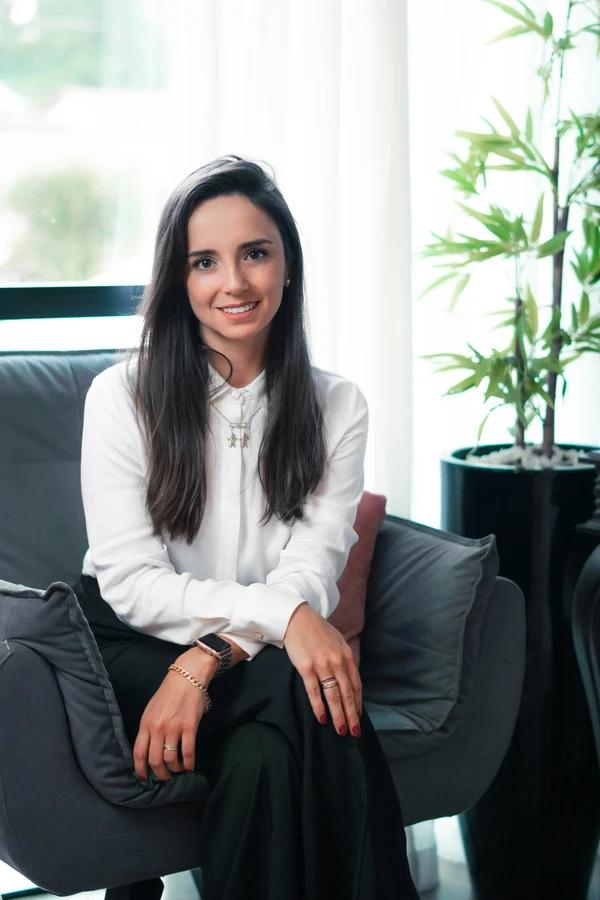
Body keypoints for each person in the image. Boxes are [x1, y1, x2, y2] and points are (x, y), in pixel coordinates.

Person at [71, 155, 419, 900]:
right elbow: (132, 583)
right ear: (179, 279)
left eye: (254, 253)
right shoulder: (121, 397)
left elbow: (314, 566)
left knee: (267, 752)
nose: (233, 282)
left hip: (254, 657)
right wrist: (287, 619)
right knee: (314, 690)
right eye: (205, 261)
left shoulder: (338, 406)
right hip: (126, 644)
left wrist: (207, 659)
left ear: (286, 265)